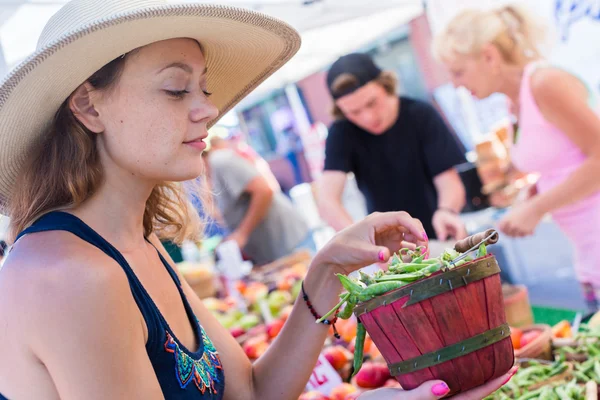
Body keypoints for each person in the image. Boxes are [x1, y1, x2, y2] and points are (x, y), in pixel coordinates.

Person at [0, 1, 516, 399]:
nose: (208, 109)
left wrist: (325, 272)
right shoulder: (68, 275)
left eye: (203, 88)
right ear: (89, 106)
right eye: (177, 89)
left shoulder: (137, 243)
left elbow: (248, 391)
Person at [433, 5, 600, 311]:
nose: (455, 84)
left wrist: (536, 208)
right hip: (588, 255)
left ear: (489, 56)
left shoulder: (545, 84)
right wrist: (533, 195)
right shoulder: (516, 102)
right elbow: (567, 163)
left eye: (458, 71)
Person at [316, 53, 469, 242]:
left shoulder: (420, 114)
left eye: (372, 103)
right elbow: (327, 202)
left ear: (385, 85)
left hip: (440, 235)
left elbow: (449, 182)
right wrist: (361, 241)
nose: (368, 117)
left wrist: (447, 211)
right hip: (390, 247)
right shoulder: (342, 132)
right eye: (354, 112)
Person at [204, 137, 312, 265]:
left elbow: (264, 190)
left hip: (289, 241)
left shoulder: (220, 160)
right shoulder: (209, 171)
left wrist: (242, 234)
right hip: (272, 250)